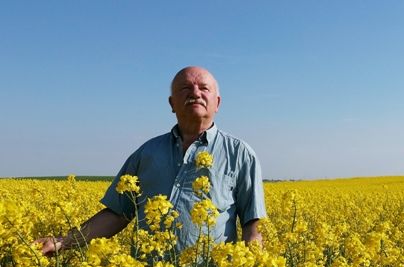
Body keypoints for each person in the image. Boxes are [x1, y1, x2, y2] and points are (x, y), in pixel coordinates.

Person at [39, 66, 266, 255]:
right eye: (185, 88)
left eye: (204, 88)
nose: (195, 93)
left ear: (217, 103)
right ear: (171, 103)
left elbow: (252, 224)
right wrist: (64, 241)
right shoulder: (147, 153)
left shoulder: (240, 154)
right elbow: (117, 213)